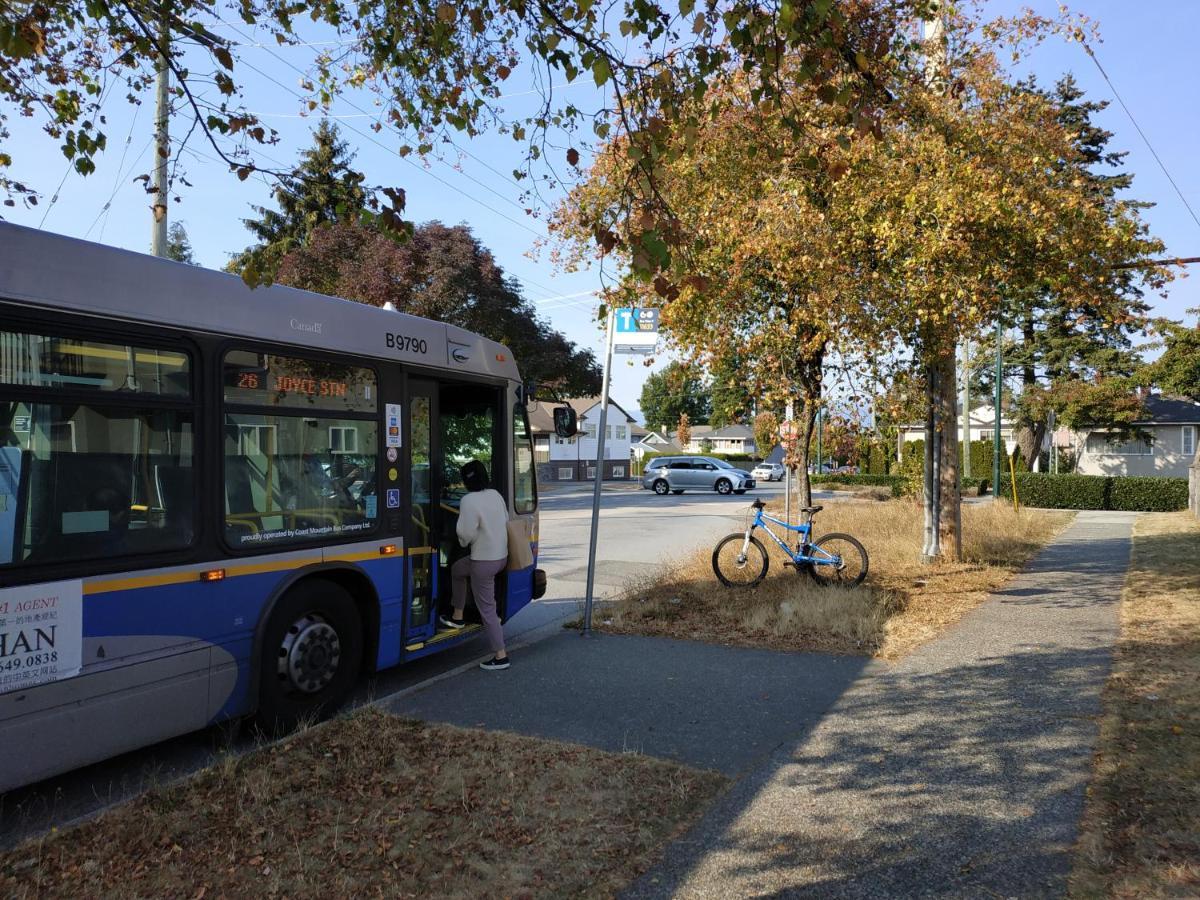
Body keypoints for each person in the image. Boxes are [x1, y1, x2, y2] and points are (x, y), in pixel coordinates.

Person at [439, 460, 511, 670]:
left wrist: (461, 541)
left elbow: (465, 534)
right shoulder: (495, 495)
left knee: (487, 610)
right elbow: (504, 519)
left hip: (483, 563)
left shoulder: (468, 501)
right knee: (458, 570)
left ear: (466, 481)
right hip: (501, 558)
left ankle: (500, 656)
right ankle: (458, 616)